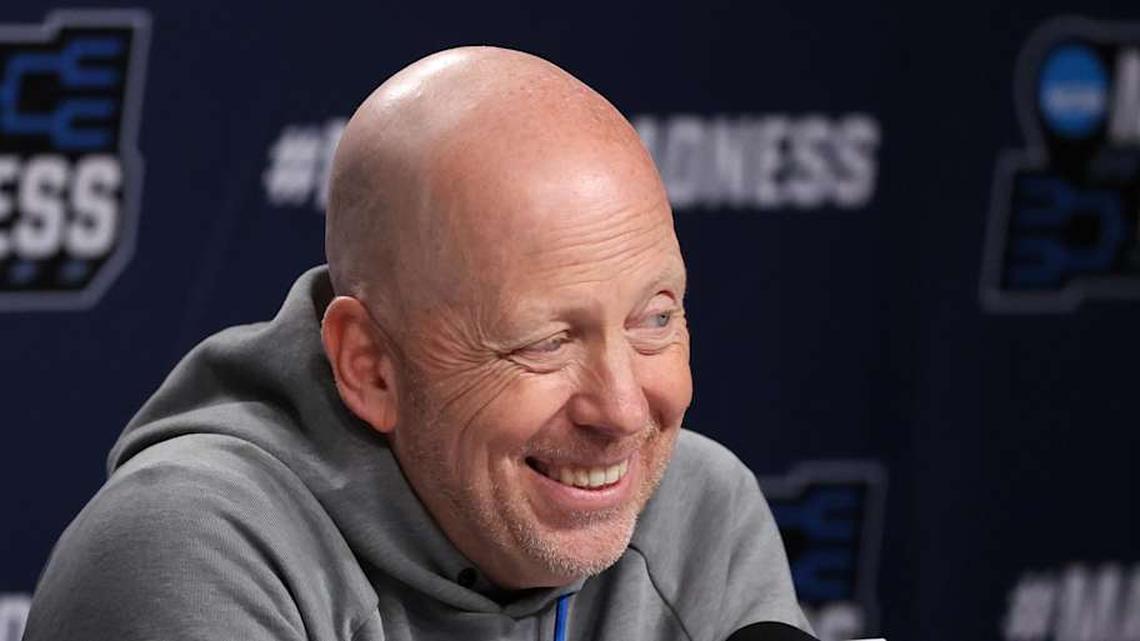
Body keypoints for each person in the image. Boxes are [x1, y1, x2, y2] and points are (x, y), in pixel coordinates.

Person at [23, 47, 810, 641]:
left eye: (655, 319)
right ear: (370, 366)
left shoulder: (696, 513)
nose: (623, 409)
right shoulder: (189, 549)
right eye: (544, 341)